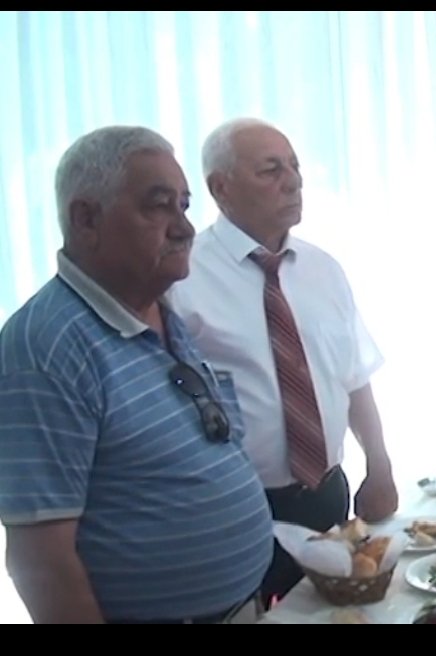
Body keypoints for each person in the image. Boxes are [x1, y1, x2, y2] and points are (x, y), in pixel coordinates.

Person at [0, 126, 273, 624]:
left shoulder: (156, 307)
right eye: (159, 206)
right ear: (86, 219)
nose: (185, 228)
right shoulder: (45, 347)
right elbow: (42, 563)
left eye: (184, 206)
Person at [166, 117, 398, 610]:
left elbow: (353, 378)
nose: (293, 181)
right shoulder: (182, 279)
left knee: (338, 613)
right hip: (238, 509)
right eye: (271, 170)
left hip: (325, 494)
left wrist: (379, 465)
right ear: (220, 187)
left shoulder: (322, 269)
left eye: (294, 166)